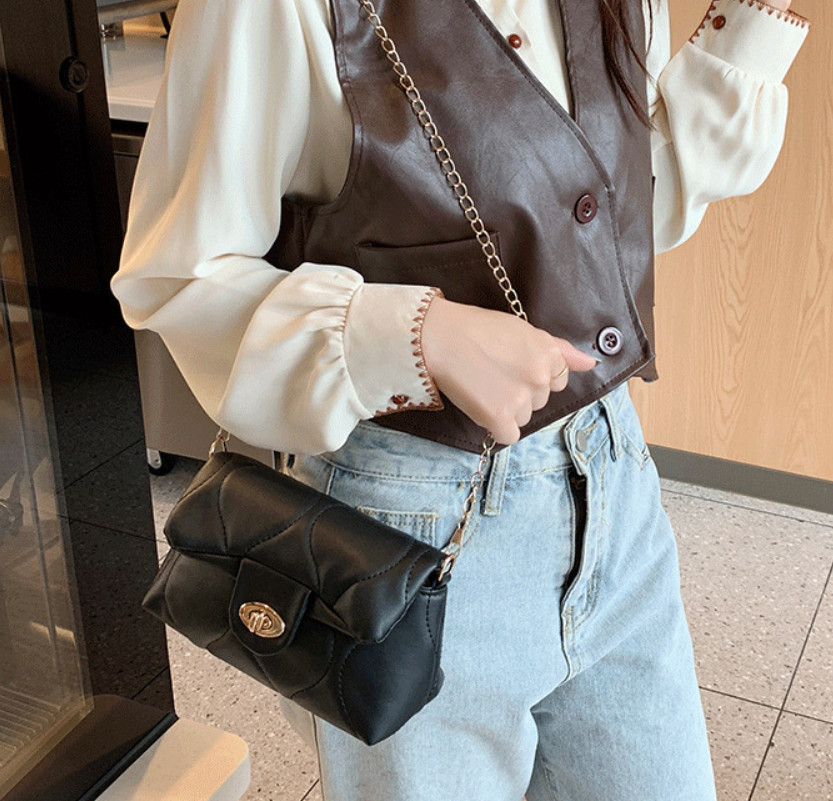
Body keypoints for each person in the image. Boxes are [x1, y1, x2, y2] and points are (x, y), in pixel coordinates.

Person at [110, 0, 809, 799]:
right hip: (405, 523)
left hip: (612, 487)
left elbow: (608, 218)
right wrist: (414, 334)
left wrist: (750, 27)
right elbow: (177, 275)